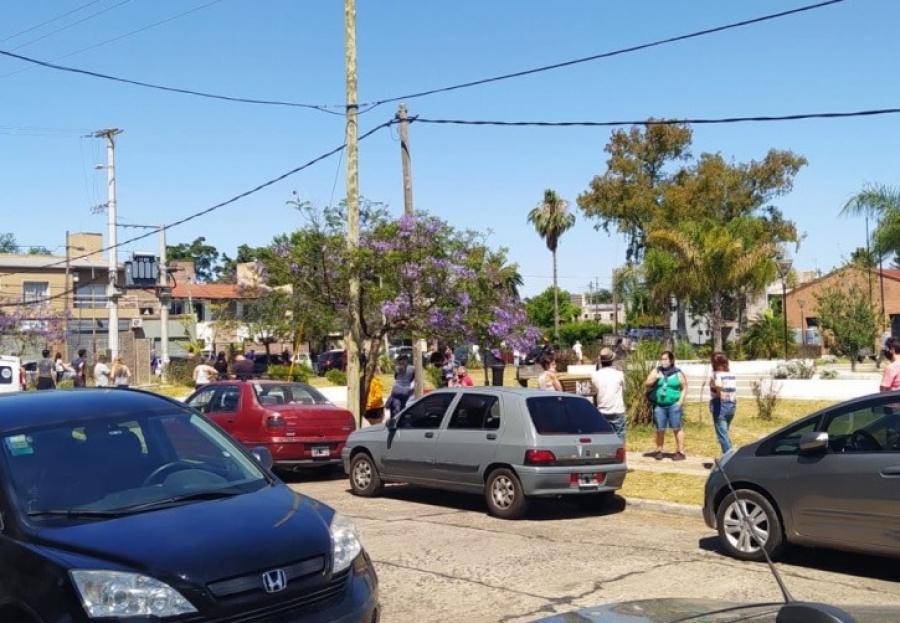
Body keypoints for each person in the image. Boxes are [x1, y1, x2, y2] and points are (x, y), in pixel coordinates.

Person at [645, 350, 688, 461]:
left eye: (665, 359)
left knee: (676, 428)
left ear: (671, 360)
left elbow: (684, 387)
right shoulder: (657, 371)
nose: (663, 361)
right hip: (660, 405)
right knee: (660, 429)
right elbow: (647, 383)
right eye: (662, 359)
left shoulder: (677, 373)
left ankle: (680, 451)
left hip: (674, 404)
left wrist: (680, 402)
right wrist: (656, 378)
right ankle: (659, 450)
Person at [591, 348, 626, 442]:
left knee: (603, 437)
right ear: (612, 360)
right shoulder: (619, 374)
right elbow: (624, 389)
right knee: (619, 435)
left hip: (602, 409)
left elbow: (596, 390)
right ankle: (620, 456)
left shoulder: (595, 375)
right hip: (617, 409)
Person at [709, 351, 737, 454]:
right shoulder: (731, 374)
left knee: (722, 435)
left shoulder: (716, 375)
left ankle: (729, 458)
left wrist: (718, 392)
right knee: (725, 433)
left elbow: (718, 384)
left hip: (720, 406)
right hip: (731, 406)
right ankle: (730, 454)